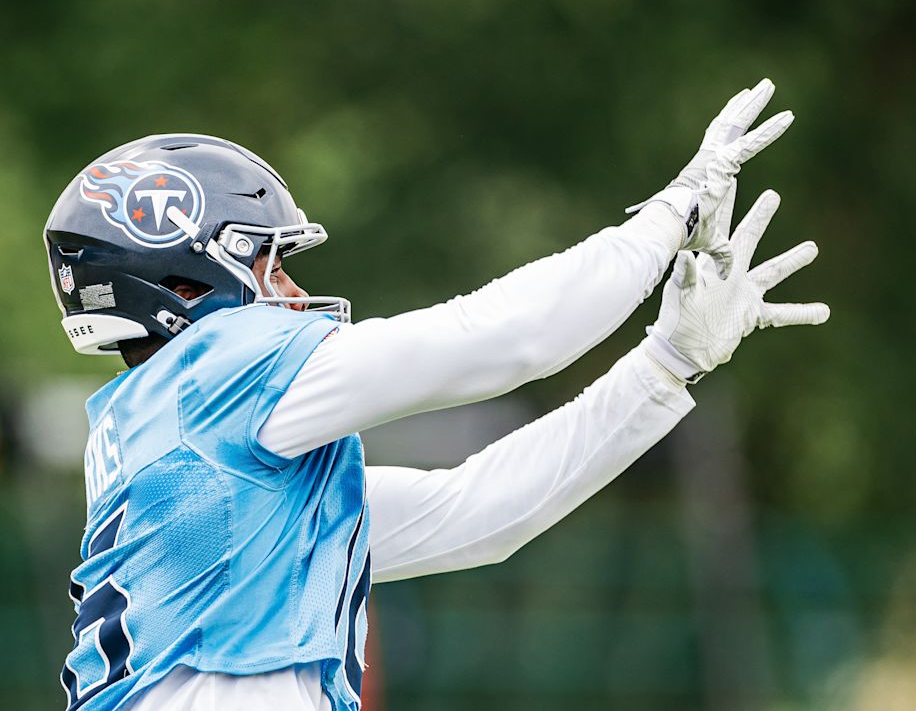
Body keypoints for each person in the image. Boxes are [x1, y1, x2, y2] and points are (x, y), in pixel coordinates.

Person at [47, 79, 828, 711]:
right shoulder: (215, 374)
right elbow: (502, 337)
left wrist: (666, 364)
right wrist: (670, 216)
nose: (294, 289)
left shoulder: (188, 445)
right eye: (271, 263)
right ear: (185, 280)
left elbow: (479, 514)